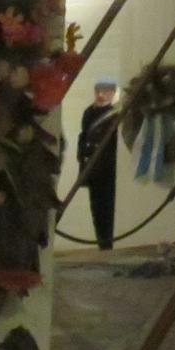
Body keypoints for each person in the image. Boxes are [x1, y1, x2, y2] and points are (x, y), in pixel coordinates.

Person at [77, 78, 121, 250]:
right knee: (97, 210)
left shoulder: (115, 113)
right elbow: (84, 138)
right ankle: (103, 243)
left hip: (109, 169)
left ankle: (108, 244)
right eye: (99, 90)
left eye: (106, 91)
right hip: (94, 169)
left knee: (110, 210)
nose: (101, 94)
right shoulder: (89, 112)